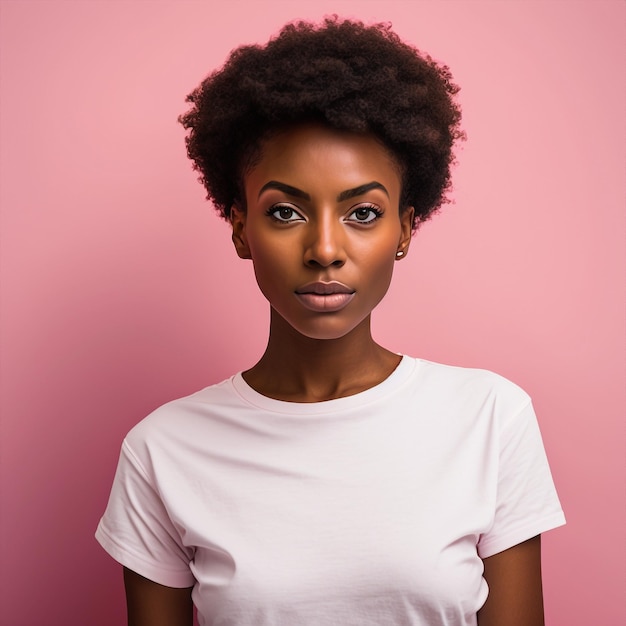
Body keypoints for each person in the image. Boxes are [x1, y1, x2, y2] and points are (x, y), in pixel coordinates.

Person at [96, 17, 565, 626]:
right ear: (240, 227)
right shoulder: (161, 451)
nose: (324, 248)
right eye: (285, 211)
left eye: (363, 212)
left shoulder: (490, 417)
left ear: (405, 230)